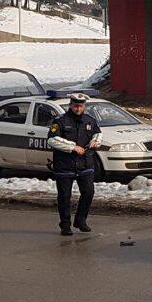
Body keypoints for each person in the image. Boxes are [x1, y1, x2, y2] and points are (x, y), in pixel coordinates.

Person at [48, 93, 101, 236]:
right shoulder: (60, 121)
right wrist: (72, 147)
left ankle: (80, 220)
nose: (78, 108)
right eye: (76, 105)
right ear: (71, 105)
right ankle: (65, 225)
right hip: (65, 165)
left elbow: (98, 133)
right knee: (65, 196)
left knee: (88, 193)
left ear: (84, 106)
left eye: (81, 105)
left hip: (85, 164)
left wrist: (96, 141)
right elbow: (52, 140)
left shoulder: (90, 121)